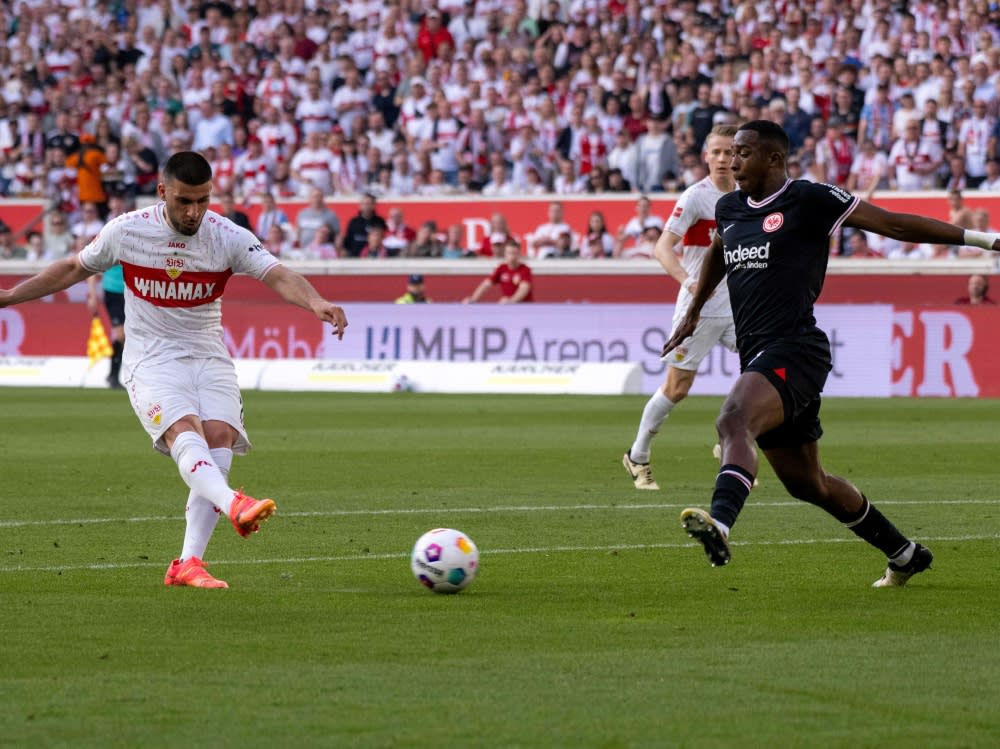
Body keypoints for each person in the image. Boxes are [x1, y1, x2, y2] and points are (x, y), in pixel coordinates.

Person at [663, 120, 1000, 588]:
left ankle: (719, 523)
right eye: (731, 153)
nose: (733, 161)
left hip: (796, 348)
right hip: (758, 353)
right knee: (808, 483)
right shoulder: (730, 209)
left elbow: (892, 223)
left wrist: (983, 240)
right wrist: (693, 310)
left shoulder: (808, 199)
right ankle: (904, 554)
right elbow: (720, 252)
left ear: (775, 159)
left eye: (743, 153)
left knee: (733, 419)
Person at [0, 151, 349, 589]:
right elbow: (73, 267)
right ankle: (233, 503)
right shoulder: (127, 231)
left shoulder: (226, 236)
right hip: (151, 356)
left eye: (202, 200)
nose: (194, 212)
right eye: (184, 200)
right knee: (185, 429)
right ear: (163, 191)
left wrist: (316, 301)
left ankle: (187, 564)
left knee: (219, 437)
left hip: (207, 353)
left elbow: (277, 273)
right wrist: (12, 295)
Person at [623, 125, 738, 491]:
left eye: (729, 153)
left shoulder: (749, 197)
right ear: (706, 156)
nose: (723, 159)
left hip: (739, 307)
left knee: (765, 370)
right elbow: (662, 247)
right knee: (677, 389)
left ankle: (730, 439)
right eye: (716, 152)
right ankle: (637, 456)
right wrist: (690, 283)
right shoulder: (694, 198)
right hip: (699, 310)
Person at [462, 239, 534, 304]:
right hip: (508, 307)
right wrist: (473, 299)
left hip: (524, 306)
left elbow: (524, 288)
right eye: (509, 253)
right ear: (505, 254)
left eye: (514, 253)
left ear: (519, 254)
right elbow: (486, 285)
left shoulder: (525, 269)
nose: (512, 256)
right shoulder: (502, 268)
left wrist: (512, 301)